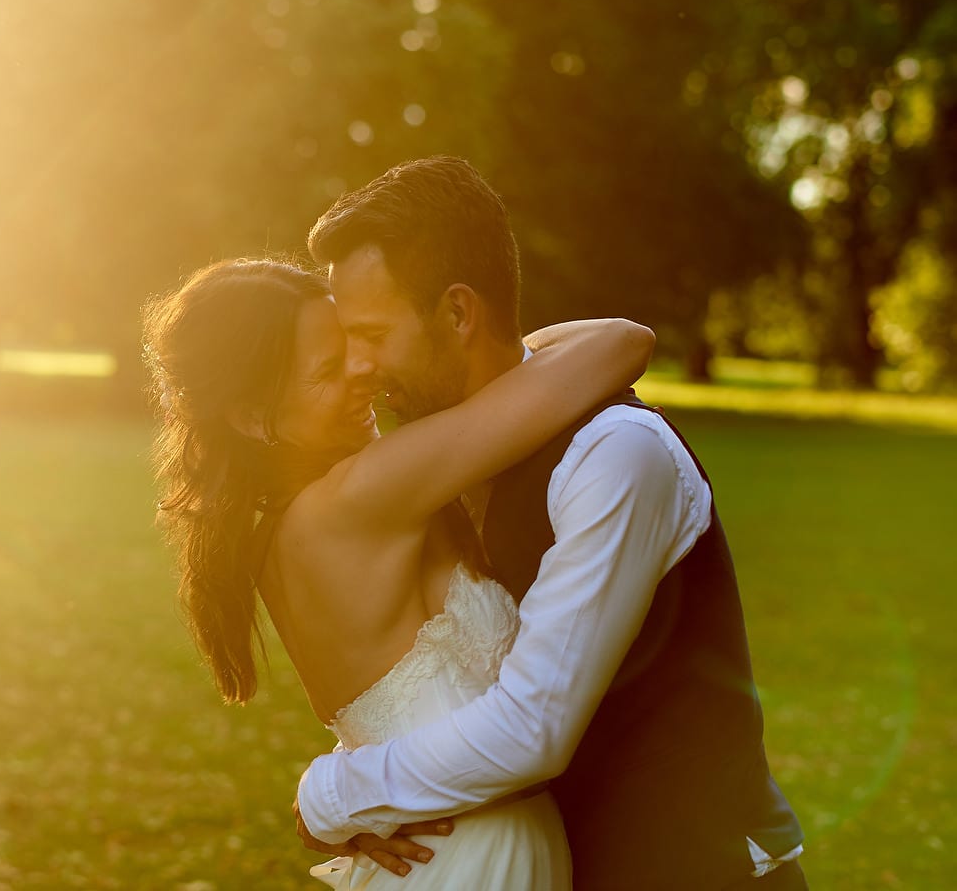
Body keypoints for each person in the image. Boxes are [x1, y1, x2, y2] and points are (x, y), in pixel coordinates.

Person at [292, 155, 806, 890]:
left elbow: (533, 727)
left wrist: (334, 797)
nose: (359, 364)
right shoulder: (437, 457)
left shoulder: (615, 454)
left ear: (459, 312)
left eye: (373, 333)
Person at [143, 255, 656, 888]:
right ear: (252, 418)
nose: (364, 369)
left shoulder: (278, 531)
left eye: (355, 343)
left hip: (437, 854)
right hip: (470, 860)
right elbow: (620, 342)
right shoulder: (364, 494)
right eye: (328, 370)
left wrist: (347, 798)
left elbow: (395, 708)